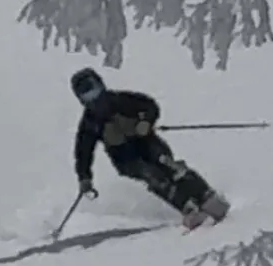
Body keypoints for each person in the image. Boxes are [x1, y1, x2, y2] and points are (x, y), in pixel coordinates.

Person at [70, 68, 228, 228]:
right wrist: (85, 178)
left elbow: (150, 106)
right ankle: (188, 208)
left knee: (170, 166)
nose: (94, 98)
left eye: (94, 90)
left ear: (101, 85)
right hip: (125, 159)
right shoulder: (89, 124)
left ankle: (205, 196)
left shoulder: (121, 100)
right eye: (87, 95)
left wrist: (146, 122)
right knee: (153, 176)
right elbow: (83, 153)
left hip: (147, 143)